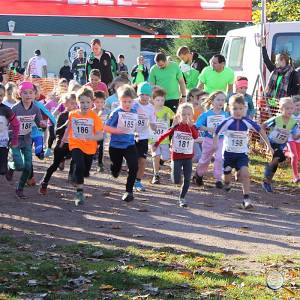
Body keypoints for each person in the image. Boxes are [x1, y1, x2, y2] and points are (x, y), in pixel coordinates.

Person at [214, 94, 273, 209]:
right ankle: (227, 182)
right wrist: (215, 144)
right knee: (227, 176)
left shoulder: (247, 121)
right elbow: (216, 133)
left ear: (244, 109)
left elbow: (261, 130)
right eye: (234, 108)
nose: (238, 111)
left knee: (245, 174)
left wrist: (269, 146)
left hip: (242, 154)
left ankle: (246, 200)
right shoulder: (227, 121)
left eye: (241, 108)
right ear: (229, 109)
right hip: (228, 154)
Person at [60, 87, 104, 205]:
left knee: (85, 170)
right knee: (79, 164)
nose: (85, 105)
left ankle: (80, 175)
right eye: (82, 102)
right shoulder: (72, 114)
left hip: (90, 147)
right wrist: (64, 139)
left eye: (88, 102)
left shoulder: (95, 117)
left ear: (92, 102)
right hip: (76, 143)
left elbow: (100, 135)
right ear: (78, 103)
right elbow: (69, 127)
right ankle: (79, 192)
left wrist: (92, 137)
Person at [152, 103, 198, 207]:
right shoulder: (176, 126)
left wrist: (191, 127)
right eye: (184, 114)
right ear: (179, 116)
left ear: (192, 116)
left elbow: (195, 137)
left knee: (187, 178)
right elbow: (165, 134)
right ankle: (176, 174)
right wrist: (156, 143)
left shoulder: (193, 127)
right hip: (176, 157)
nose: (186, 117)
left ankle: (182, 198)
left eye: (189, 114)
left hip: (188, 157)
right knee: (176, 180)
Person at [6, 82, 46, 199]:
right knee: (19, 165)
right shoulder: (15, 109)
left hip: (27, 140)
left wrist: (43, 125)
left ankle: (20, 188)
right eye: (25, 93)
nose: (28, 95)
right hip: (15, 140)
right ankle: (11, 166)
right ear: (20, 94)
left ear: (35, 94)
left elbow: (39, 124)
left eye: (30, 93)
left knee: (28, 167)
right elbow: (7, 126)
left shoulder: (36, 108)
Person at [105, 84, 139, 202]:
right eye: (124, 102)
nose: (127, 104)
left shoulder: (134, 111)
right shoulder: (116, 112)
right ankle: (114, 169)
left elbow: (135, 126)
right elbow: (106, 127)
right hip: (115, 146)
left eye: (129, 102)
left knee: (134, 166)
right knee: (116, 168)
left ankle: (129, 191)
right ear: (119, 101)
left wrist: (137, 132)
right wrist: (117, 131)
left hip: (129, 144)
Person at [39, 93, 77, 195]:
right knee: (55, 165)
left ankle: (72, 177)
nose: (75, 106)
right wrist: (66, 124)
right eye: (72, 103)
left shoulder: (79, 115)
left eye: (76, 103)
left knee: (77, 158)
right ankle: (44, 182)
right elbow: (56, 132)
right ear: (65, 104)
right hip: (62, 145)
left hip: (74, 144)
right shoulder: (62, 115)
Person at [262, 97, 300, 192]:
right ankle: (267, 177)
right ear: (281, 109)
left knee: (278, 160)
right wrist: (265, 142)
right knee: (278, 157)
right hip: (272, 142)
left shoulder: (293, 123)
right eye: (287, 108)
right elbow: (262, 126)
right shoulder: (277, 119)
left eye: (291, 108)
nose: (290, 111)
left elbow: (295, 137)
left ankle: (267, 181)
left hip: (281, 145)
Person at [194, 91, 228, 188]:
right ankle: (199, 175)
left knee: (219, 158)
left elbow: (229, 125)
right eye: (218, 99)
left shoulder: (225, 115)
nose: (220, 102)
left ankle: (218, 179)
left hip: (221, 140)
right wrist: (210, 129)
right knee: (205, 160)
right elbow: (197, 125)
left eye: (222, 100)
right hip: (208, 140)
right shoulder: (206, 114)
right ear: (212, 101)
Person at [133, 82, 156, 192]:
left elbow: (153, 123)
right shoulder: (133, 104)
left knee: (142, 161)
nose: (144, 97)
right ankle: (131, 179)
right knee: (132, 160)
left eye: (147, 95)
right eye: (142, 94)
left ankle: (138, 181)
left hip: (143, 137)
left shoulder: (151, 108)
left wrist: (155, 127)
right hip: (131, 136)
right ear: (138, 94)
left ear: (150, 96)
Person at [261, 40, 299, 106]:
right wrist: (263, 46)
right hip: (273, 105)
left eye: (276, 60)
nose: (275, 62)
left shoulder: (293, 74)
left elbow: (295, 92)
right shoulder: (275, 71)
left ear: (283, 61)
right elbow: (266, 60)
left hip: (286, 106)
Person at [150, 87, 174, 184]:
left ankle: (159, 163)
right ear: (153, 100)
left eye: (162, 100)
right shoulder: (150, 110)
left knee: (165, 157)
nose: (160, 102)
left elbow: (176, 117)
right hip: (153, 139)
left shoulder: (167, 110)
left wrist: (174, 126)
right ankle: (156, 175)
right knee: (156, 155)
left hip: (164, 139)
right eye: (158, 100)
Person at [0, 83, 19, 176]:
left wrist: (14, 140)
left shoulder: (6, 110)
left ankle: (8, 168)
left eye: (1, 95)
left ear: (4, 96)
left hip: (2, 143)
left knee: (2, 170)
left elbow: (16, 124)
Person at [92, 91, 110, 172]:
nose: (99, 104)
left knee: (101, 147)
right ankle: (91, 158)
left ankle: (100, 164)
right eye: (97, 102)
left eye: (102, 102)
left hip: (102, 133)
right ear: (93, 102)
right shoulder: (91, 111)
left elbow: (110, 119)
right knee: (94, 147)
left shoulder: (107, 111)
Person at [287, 95, 300, 183]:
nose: (299, 107)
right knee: (295, 156)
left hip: (299, 138)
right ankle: (295, 176)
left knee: (297, 157)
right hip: (291, 138)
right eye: (297, 105)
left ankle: (286, 153)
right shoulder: (289, 115)